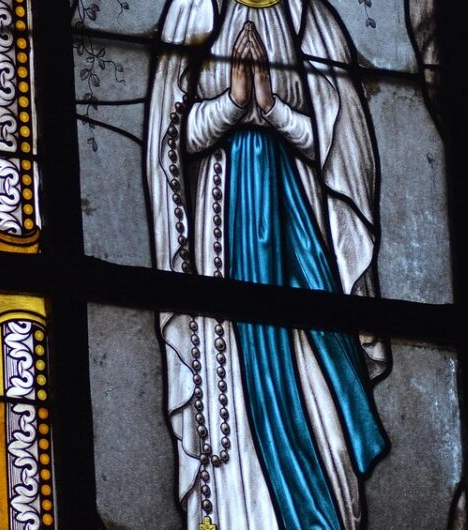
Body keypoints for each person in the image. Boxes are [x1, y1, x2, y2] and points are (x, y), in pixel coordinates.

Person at [145, 0, 390, 527]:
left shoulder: (313, 22)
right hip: (221, 252)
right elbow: (170, 142)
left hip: (303, 246)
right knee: (235, 419)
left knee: (323, 409)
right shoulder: (193, 13)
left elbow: (343, 150)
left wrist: (273, 108)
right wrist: (232, 105)